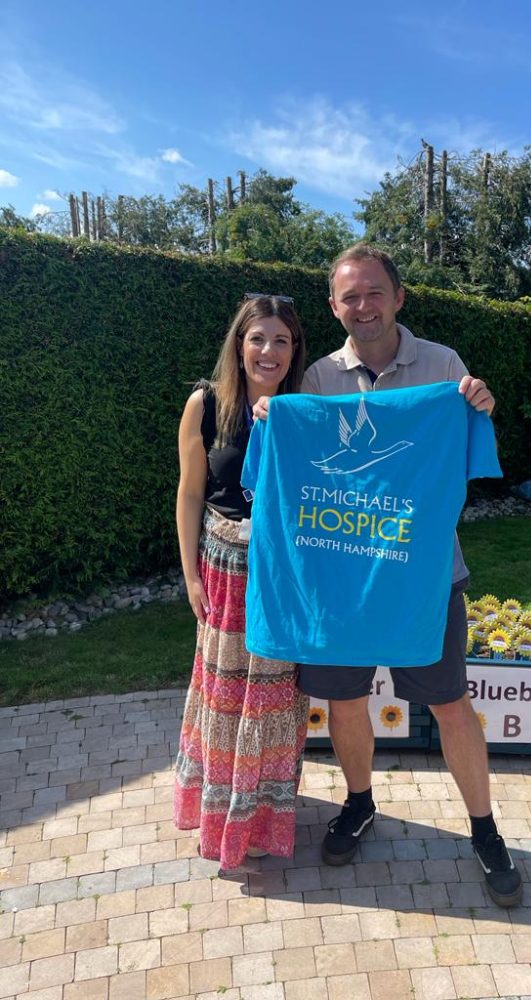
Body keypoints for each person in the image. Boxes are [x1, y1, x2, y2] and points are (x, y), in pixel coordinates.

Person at [254, 244, 523, 907]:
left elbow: (466, 448)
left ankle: (485, 829)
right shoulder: (317, 378)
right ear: (334, 307)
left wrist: (479, 405)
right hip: (341, 580)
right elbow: (299, 470)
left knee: (449, 703)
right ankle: (359, 802)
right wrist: (272, 419)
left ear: (398, 297)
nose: (363, 306)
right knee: (345, 701)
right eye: (350, 296)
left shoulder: (443, 368)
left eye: (374, 292)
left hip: (425, 577)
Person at [173, 294, 309, 869]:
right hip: (224, 571)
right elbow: (189, 493)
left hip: (284, 576)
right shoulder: (206, 403)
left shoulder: (309, 408)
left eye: (281, 340)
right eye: (258, 338)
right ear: (239, 342)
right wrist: (190, 577)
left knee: (276, 701)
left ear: (295, 349)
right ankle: (219, 810)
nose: (269, 351)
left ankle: (261, 815)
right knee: (226, 698)